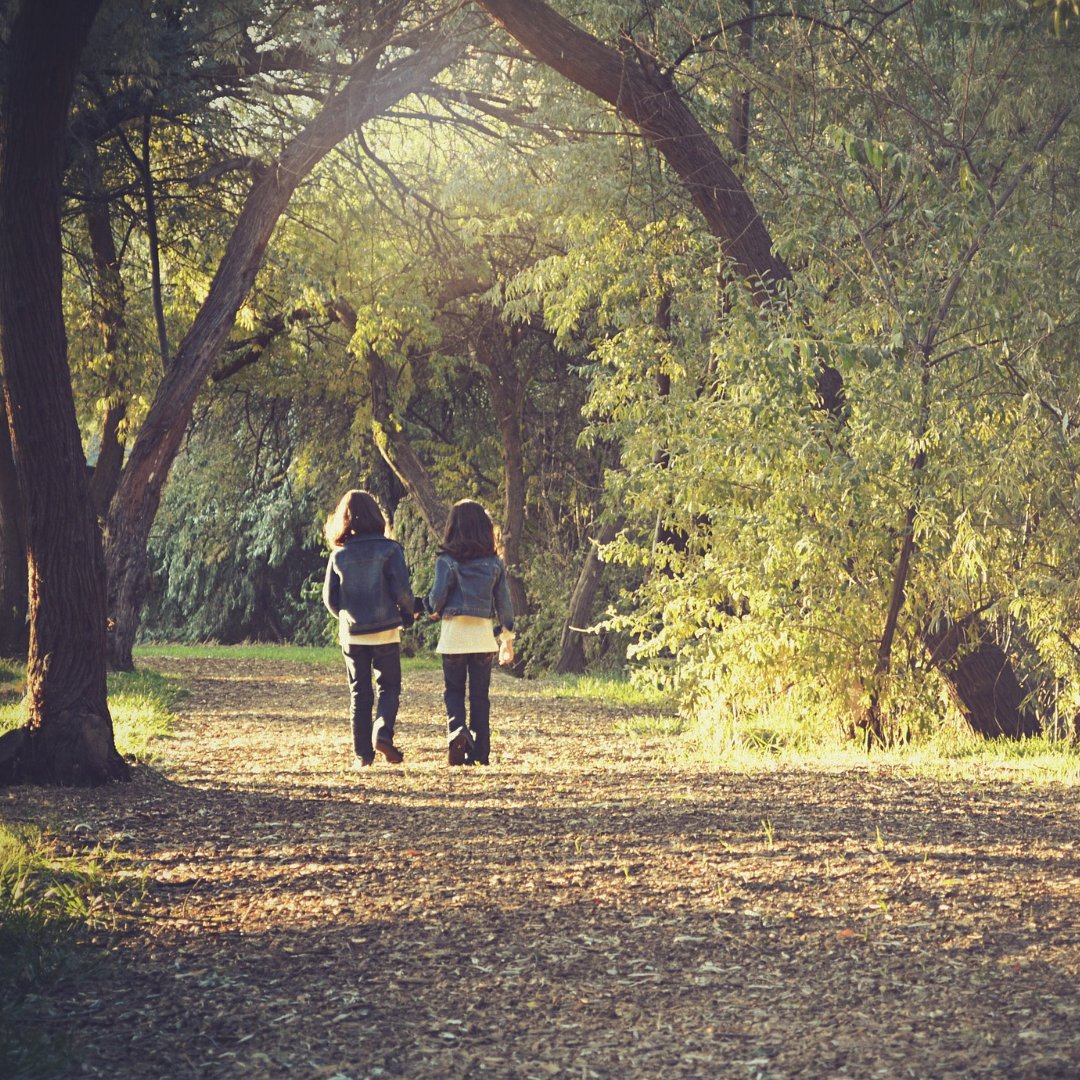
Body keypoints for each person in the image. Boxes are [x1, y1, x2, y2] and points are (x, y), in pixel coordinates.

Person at [322, 490, 416, 768]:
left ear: (344, 519)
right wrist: (408, 614)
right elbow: (402, 592)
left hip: (353, 633)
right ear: (377, 515)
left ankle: (363, 756)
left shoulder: (338, 555)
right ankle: (382, 732)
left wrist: (347, 617)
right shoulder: (390, 549)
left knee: (359, 693)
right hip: (386, 629)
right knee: (389, 687)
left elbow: (330, 599)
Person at [425, 499, 515, 765]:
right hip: (482, 638)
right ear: (485, 529)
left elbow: (437, 598)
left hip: (453, 636)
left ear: (453, 528)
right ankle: (480, 753)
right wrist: (506, 641)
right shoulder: (494, 565)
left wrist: (431, 608)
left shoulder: (446, 561)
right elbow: (505, 606)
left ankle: (457, 730)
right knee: (479, 696)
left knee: (453, 691)